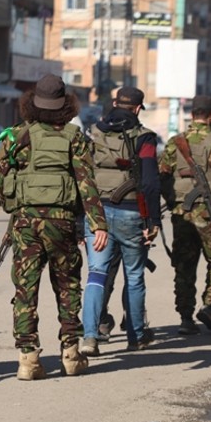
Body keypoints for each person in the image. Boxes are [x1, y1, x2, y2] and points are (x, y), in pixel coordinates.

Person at [0, 74, 107, 380]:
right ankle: (71, 355)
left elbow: (1, 178)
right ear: (65, 105)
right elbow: (87, 184)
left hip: (26, 222)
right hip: (63, 222)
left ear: (31, 103)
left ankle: (28, 360)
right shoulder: (76, 138)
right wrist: (98, 224)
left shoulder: (17, 136)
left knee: (25, 289)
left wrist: (12, 207)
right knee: (68, 286)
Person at [80, 87, 160, 355]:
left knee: (96, 275)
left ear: (114, 103)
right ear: (138, 108)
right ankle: (136, 336)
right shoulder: (145, 138)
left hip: (97, 213)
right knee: (135, 276)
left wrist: (83, 216)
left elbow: (82, 176)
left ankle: (89, 336)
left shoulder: (93, 133)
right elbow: (149, 183)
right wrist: (153, 221)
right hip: (131, 214)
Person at [159, 95, 211, 335]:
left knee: (184, 265)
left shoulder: (175, 142)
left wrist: (173, 201)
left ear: (191, 114)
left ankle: (185, 317)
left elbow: (163, 175)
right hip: (208, 212)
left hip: (181, 213)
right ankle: (210, 304)